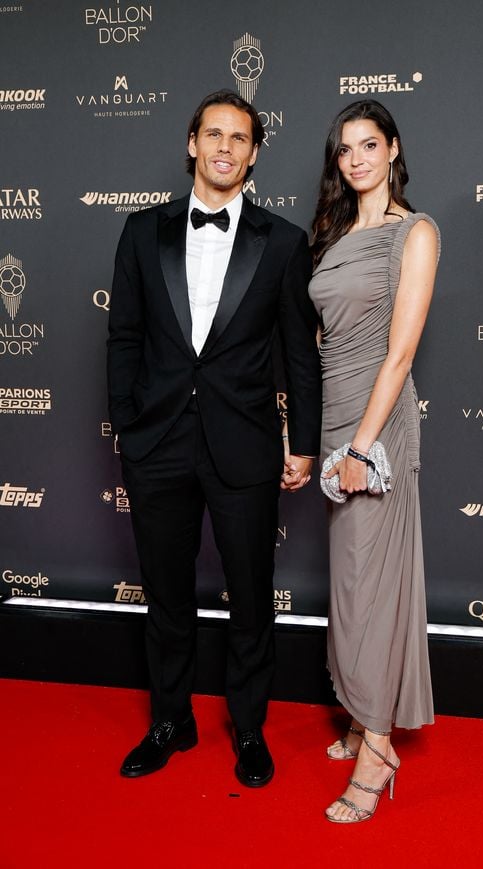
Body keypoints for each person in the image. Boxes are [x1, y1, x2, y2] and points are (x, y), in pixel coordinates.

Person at [107, 89, 321, 787]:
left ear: (255, 153)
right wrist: (128, 421)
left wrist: (304, 443)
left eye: (240, 137)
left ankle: (250, 727)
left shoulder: (285, 242)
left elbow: (299, 351)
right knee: (165, 595)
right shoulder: (142, 231)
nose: (226, 146)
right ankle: (171, 719)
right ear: (192, 144)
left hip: (245, 444)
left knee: (251, 595)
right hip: (158, 443)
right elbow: (125, 335)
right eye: (214, 134)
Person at [308, 99, 439, 823]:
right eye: (345, 149)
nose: (356, 159)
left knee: (377, 584)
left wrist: (363, 444)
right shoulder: (333, 233)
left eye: (369, 145)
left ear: (392, 149)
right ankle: (360, 712)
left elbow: (400, 350)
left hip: (377, 423)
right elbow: (324, 339)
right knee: (352, 582)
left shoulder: (412, 232)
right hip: (334, 416)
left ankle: (378, 745)